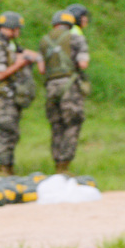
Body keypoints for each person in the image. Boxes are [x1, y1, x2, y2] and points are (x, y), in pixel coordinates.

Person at [0, 11, 43, 175]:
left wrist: (37, 57)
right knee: (7, 131)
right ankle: (3, 169)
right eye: (18, 27)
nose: (19, 31)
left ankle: (9, 167)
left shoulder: (10, 45)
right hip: (6, 96)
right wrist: (19, 64)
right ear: (11, 28)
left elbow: (26, 53)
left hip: (14, 96)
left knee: (13, 132)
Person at [38, 9, 89, 174]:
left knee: (56, 124)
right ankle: (65, 165)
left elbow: (41, 69)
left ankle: (56, 162)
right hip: (70, 86)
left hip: (51, 87)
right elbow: (83, 64)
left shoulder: (44, 40)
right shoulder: (76, 37)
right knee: (72, 123)